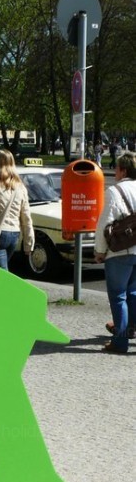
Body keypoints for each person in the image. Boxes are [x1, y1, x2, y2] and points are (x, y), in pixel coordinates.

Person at [94, 151, 136, 354]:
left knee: (118, 295)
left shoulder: (115, 191)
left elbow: (104, 223)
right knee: (133, 294)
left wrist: (99, 251)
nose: (116, 172)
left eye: (117, 168)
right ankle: (130, 330)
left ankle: (120, 342)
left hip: (121, 250)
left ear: (123, 171)